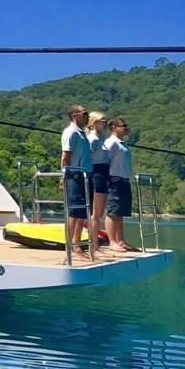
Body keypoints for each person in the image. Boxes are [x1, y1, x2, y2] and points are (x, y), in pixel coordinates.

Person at [61, 104, 93, 260]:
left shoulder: (82, 133)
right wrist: (64, 176)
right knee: (73, 212)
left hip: (84, 175)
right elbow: (66, 156)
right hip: (74, 175)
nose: (87, 117)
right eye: (85, 113)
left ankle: (77, 245)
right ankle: (71, 248)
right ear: (75, 115)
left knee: (81, 213)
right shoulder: (71, 132)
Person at [103, 116, 137, 252]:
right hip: (114, 179)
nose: (126, 128)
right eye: (123, 126)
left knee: (120, 212)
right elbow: (105, 161)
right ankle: (112, 241)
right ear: (114, 128)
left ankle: (120, 240)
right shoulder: (111, 143)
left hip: (124, 179)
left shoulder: (123, 143)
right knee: (112, 211)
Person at [87, 111, 110, 247]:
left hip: (103, 173)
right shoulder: (93, 139)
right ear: (95, 122)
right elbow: (88, 156)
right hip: (96, 173)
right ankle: (94, 244)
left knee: (99, 213)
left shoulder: (101, 138)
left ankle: (95, 242)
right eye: (102, 121)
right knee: (95, 213)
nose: (105, 124)